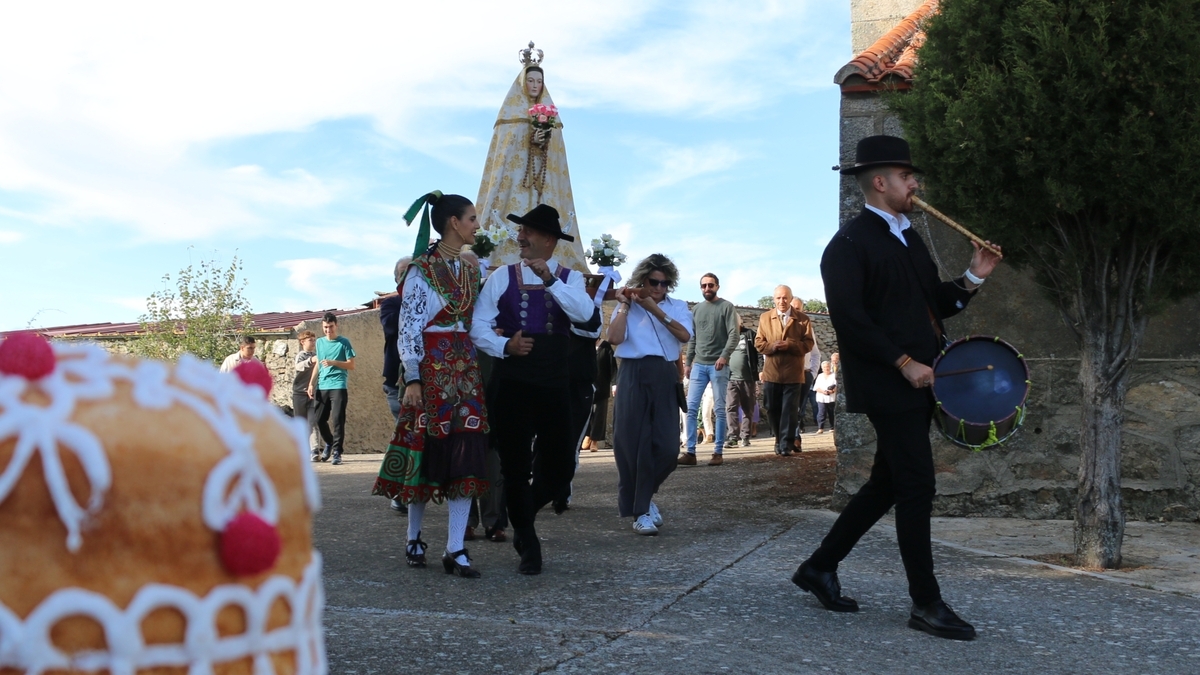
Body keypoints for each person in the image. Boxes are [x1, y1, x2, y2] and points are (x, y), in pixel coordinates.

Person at [790, 135, 1002, 641]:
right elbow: (850, 320)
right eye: (907, 177)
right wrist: (904, 361)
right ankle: (926, 603)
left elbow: (936, 305)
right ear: (880, 182)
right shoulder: (848, 245)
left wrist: (973, 277)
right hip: (889, 382)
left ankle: (818, 567)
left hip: (922, 378)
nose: (915, 184)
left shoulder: (909, 237)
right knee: (916, 486)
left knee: (887, 483)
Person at [470, 203, 594, 574]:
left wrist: (552, 282)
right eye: (520, 231)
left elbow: (588, 321)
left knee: (559, 470)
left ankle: (520, 511)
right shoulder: (502, 277)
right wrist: (504, 347)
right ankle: (527, 540)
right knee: (515, 464)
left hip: (554, 381)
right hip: (513, 381)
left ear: (549, 240)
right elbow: (478, 325)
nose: (520, 237)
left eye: (528, 232)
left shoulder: (570, 279)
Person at [372, 192, 491, 579]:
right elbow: (409, 326)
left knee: (466, 452)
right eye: (472, 218)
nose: (477, 225)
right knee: (425, 450)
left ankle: (455, 547)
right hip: (431, 367)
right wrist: (413, 376)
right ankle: (414, 537)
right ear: (454, 223)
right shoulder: (421, 269)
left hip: (465, 367)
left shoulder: (471, 271)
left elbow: (477, 323)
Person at [475, 45, 589, 271]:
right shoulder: (510, 117)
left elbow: (557, 155)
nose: (535, 86)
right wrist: (527, 139)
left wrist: (544, 140)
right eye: (531, 81)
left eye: (539, 82)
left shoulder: (551, 117)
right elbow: (505, 151)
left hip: (543, 182)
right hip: (515, 180)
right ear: (522, 83)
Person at [607, 254, 693, 535]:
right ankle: (641, 509)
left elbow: (684, 336)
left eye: (665, 283)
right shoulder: (628, 306)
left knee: (668, 448)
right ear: (643, 279)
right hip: (632, 371)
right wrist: (623, 305)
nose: (659, 288)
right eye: (654, 282)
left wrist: (655, 309)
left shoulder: (677, 306)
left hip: (664, 374)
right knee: (631, 443)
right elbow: (615, 339)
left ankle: (642, 498)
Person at [680, 273, 739, 467]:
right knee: (690, 408)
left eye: (710, 285)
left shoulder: (726, 307)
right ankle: (690, 452)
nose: (707, 288)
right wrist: (688, 362)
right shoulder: (696, 309)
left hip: (718, 365)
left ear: (717, 286)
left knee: (720, 408)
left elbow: (733, 335)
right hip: (698, 364)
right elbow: (693, 338)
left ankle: (718, 451)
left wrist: (724, 356)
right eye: (704, 285)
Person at [755, 286, 815, 456]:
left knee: (789, 410)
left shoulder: (803, 320)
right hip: (772, 373)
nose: (782, 301)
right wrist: (771, 346)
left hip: (793, 373)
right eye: (778, 298)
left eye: (785, 298)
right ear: (773, 299)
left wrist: (790, 345)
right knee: (772, 408)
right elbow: (759, 343)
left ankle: (786, 445)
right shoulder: (765, 318)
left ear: (790, 298)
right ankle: (778, 440)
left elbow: (808, 344)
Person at [379, 257, 412, 514]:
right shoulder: (391, 303)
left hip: (424, 379)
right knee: (405, 434)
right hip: (396, 382)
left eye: (411, 271)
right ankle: (399, 491)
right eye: (403, 272)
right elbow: (392, 327)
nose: (407, 276)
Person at [307, 312, 355, 465]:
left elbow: (351, 365)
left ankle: (337, 453)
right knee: (319, 419)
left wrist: (334, 362)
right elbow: (319, 365)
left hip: (338, 385)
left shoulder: (344, 342)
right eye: (326, 327)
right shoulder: (320, 343)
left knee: (337, 419)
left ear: (336, 325)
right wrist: (311, 383)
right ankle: (329, 442)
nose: (328, 330)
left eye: (331, 327)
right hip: (322, 386)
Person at [724, 314, 759, 448]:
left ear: (741, 322)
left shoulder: (750, 334)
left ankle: (745, 436)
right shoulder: (725, 336)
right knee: (731, 407)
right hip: (730, 379)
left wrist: (759, 371)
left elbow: (759, 354)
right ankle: (733, 436)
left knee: (747, 408)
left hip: (748, 378)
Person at [793, 296, 822, 436]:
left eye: (797, 309)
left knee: (799, 407)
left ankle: (796, 436)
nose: (794, 311)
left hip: (805, 374)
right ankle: (784, 437)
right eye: (792, 308)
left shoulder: (807, 328)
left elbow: (816, 353)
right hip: (784, 374)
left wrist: (813, 374)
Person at [292, 331, 322, 461]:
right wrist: (311, 360)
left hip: (313, 394)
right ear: (302, 342)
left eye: (314, 340)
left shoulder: (318, 355)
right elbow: (298, 367)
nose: (313, 342)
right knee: (300, 423)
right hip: (299, 394)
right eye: (310, 340)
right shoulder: (301, 355)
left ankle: (314, 449)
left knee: (313, 421)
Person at [584, 339, 617, 451]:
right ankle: (587, 437)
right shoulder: (585, 345)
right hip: (587, 385)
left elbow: (612, 366)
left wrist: (614, 384)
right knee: (586, 412)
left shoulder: (605, 346)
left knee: (599, 414)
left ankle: (595, 440)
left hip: (602, 385)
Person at [813, 361, 837, 433]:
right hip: (821, 397)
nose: (826, 368)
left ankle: (832, 427)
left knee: (832, 413)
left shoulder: (834, 375)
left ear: (830, 367)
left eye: (828, 367)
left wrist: (832, 391)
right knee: (821, 413)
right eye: (824, 367)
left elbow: (837, 385)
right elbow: (816, 387)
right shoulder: (820, 376)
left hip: (831, 397)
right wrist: (823, 391)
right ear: (822, 368)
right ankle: (820, 428)